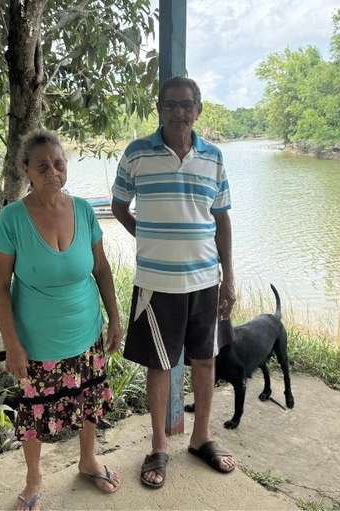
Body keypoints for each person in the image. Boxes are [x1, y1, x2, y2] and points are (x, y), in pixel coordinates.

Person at [111, 76, 237, 489]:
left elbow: (222, 218)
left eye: (187, 105)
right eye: (171, 104)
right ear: (159, 109)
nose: (179, 112)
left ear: (198, 110)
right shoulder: (136, 153)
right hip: (156, 282)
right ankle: (159, 446)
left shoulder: (214, 157)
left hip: (205, 280)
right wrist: (147, 237)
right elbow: (119, 205)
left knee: (205, 360)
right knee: (160, 364)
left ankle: (201, 438)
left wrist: (229, 278)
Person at [0, 129, 123, 510]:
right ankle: (34, 480)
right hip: (37, 342)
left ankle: (88, 460)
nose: (53, 172)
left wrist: (114, 318)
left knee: (89, 398)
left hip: (87, 331)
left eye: (59, 163)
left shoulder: (83, 210)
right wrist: (12, 344)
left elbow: (101, 268)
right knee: (34, 411)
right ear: (26, 170)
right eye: (43, 166)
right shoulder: (11, 220)